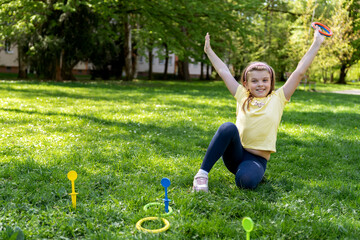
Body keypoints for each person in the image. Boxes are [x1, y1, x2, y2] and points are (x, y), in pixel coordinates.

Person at [193, 27, 325, 192]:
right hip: (236, 153)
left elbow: (299, 72)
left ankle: (252, 173)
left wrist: (317, 43)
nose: (260, 84)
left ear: (271, 82)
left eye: (265, 80)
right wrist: (209, 51)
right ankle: (201, 175)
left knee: (245, 182)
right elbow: (224, 72)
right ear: (246, 84)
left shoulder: (278, 98)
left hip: (256, 159)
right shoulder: (242, 95)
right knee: (227, 127)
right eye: (254, 81)